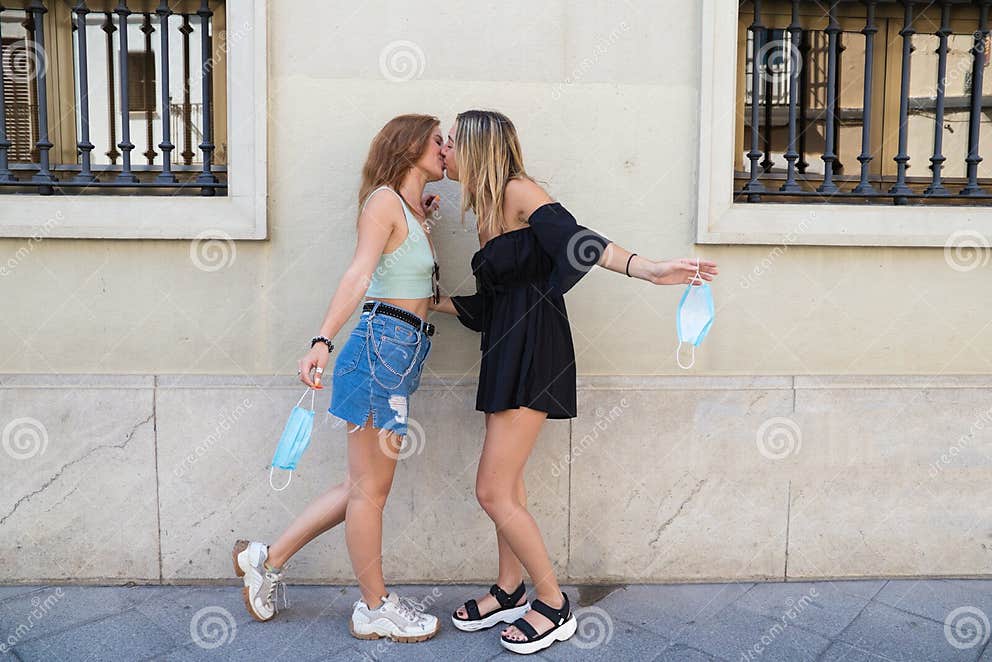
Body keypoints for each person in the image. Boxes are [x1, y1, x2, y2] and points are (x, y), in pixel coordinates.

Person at [432, 109, 719, 655]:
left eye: (450, 143)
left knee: (491, 490)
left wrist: (651, 268)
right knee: (508, 485)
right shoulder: (488, 209)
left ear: (476, 148)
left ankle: (552, 602)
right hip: (505, 347)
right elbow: (491, 302)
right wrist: (427, 303)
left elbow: (578, 241)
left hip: (536, 348)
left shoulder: (520, 191)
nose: (442, 151)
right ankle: (509, 588)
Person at [233, 114, 446, 643]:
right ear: (411, 145)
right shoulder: (383, 202)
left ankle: (267, 558)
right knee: (372, 491)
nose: (447, 148)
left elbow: (409, 283)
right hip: (379, 350)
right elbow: (359, 274)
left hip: (400, 352)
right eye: (439, 140)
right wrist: (322, 340)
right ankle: (374, 606)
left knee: (361, 487)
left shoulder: (414, 211)